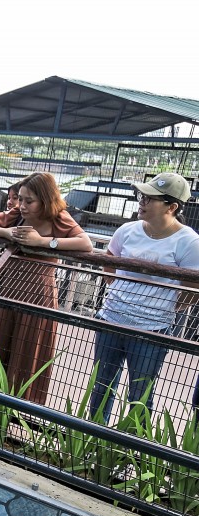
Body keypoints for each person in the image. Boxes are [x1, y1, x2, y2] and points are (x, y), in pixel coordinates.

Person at [0, 173, 93, 404]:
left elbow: (85, 243)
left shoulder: (59, 218)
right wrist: (7, 232)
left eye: (29, 201)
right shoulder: (16, 215)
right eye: (21, 199)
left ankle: (21, 407)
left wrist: (44, 242)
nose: (22, 205)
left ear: (45, 200)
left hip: (39, 291)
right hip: (9, 288)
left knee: (29, 348)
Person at [88, 172, 199, 423]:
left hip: (152, 329)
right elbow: (109, 261)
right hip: (111, 320)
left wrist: (165, 306)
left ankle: (133, 450)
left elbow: (192, 288)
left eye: (151, 199)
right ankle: (93, 442)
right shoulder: (128, 230)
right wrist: (121, 293)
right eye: (142, 196)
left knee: (140, 394)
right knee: (101, 387)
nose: (142, 202)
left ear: (172, 207)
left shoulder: (189, 242)